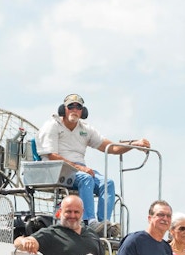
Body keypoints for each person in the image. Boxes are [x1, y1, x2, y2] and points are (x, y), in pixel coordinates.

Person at [36, 93, 151, 227]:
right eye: (70, 106)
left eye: (78, 107)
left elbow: (111, 148)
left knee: (107, 183)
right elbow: (52, 156)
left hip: (79, 170)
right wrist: (81, 168)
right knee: (86, 178)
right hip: (58, 169)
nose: (74, 109)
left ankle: (103, 224)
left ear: (83, 111)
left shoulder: (85, 129)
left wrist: (134, 144)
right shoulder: (53, 126)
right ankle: (89, 221)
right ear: (63, 109)